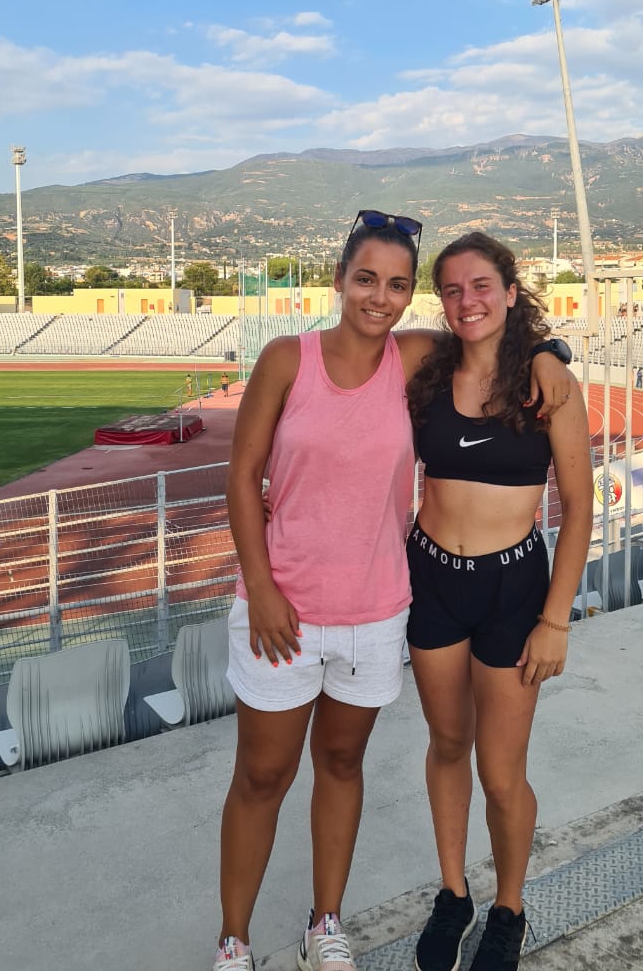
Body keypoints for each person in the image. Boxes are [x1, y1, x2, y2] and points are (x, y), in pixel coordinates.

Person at [218, 211, 573, 971]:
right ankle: (241, 941)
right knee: (277, 772)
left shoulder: (449, 365)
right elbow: (242, 477)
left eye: (398, 284)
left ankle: (415, 918)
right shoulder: (326, 360)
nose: (380, 296)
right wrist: (260, 585)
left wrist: (551, 352)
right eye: (366, 279)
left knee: (415, 767)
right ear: (340, 280)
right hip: (346, 598)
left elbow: (496, 339)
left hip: (413, 604)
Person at [405, 232, 592, 971]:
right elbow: (352, 359)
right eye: (451, 290)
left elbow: (578, 506)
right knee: (448, 744)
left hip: (514, 591)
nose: (467, 301)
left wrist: (555, 619)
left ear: (511, 292)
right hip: (432, 581)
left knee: (502, 773)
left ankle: (508, 908)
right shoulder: (427, 368)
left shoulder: (548, 385)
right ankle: (454, 894)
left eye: (481, 285)